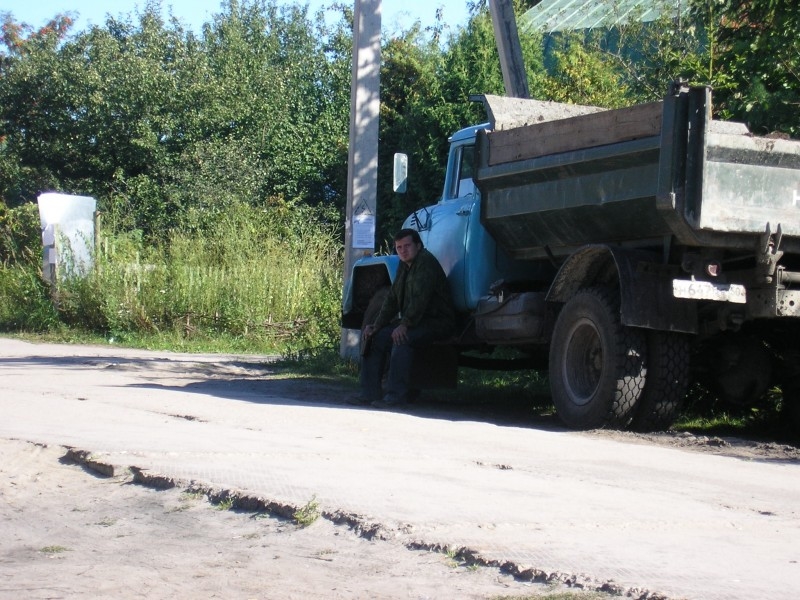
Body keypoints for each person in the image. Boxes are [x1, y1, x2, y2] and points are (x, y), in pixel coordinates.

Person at [353, 228, 456, 409]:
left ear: (418, 245)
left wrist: (404, 325)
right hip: (417, 321)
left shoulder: (426, 263)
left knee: (401, 339)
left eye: (407, 246)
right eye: (399, 247)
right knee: (375, 337)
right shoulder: (404, 265)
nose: (403, 251)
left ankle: (395, 397)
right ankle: (368, 393)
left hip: (437, 322)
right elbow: (392, 299)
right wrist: (376, 326)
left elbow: (419, 300)